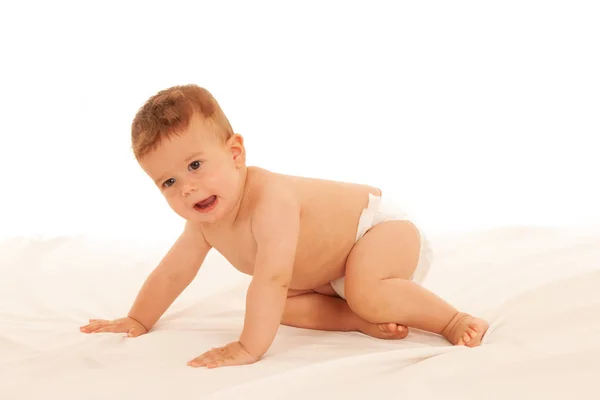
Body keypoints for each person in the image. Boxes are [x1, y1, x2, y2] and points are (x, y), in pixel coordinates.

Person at [80, 84, 489, 368]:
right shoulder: (204, 223)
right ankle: (358, 320)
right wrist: (137, 319)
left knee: (352, 290)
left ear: (235, 153)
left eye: (195, 165)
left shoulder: (269, 199)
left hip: (378, 231)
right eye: (169, 182)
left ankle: (453, 320)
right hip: (331, 274)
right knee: (283, 309)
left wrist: (247, 347)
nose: (187, 188)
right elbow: (172, 273)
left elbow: (273, 277)